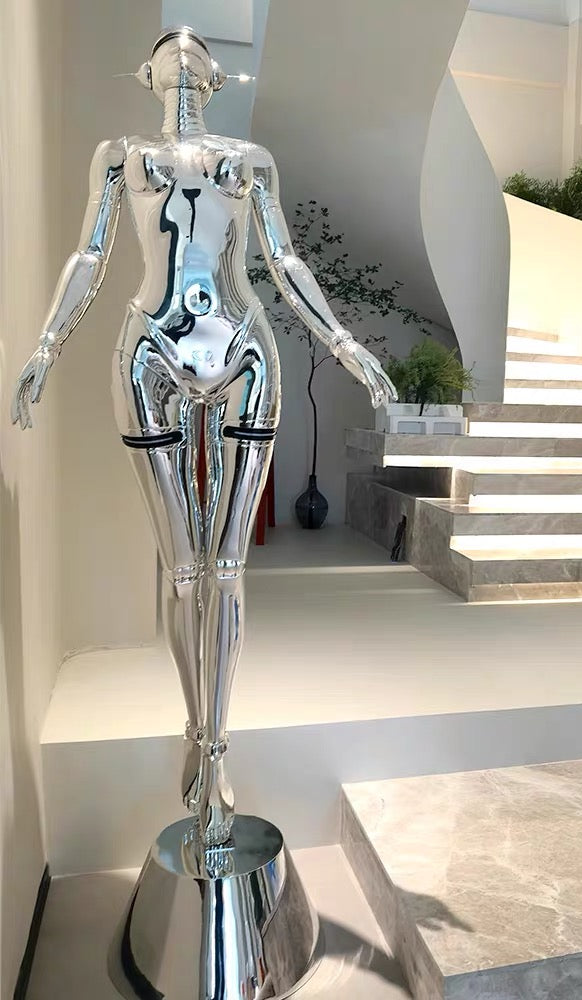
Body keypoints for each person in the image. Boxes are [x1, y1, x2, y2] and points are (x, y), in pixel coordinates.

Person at [12, 25, 396, 846]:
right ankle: (199, 731)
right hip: (150, 348)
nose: (181, 49)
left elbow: (285, 263)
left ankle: (216, 749)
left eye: (194, 52)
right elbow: (89, 257)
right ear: (146, 73)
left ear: (216, 77)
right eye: (166, 49)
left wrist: (344, 343)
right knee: (185, 568)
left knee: (227, 566)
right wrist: (45, 345)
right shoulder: (120, 156)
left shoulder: (250, 161)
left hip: (244, 350)